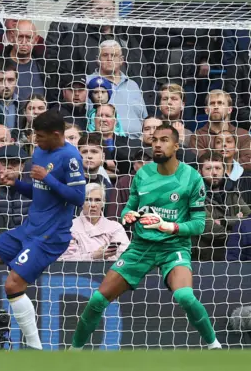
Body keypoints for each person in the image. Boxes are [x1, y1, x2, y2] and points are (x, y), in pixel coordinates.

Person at [70, 122, 222, 350]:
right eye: (155, 140)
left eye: (164, 140)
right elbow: (127, 209)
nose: (157, 145)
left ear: (176, 145)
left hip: (174, 248)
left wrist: (168, 227)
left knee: (186, 298)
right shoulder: (142, 174)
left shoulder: (192, 178)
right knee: (97, 300)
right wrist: (129, 215)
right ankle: (73, 352)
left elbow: (199, 225)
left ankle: (215, 347)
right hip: (140, 248)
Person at [0, 110, 86, 349]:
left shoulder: (71, 157)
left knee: (13, 285)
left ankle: (34, 348)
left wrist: (48, 178)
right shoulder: (40, 152)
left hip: (50, 235)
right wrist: (17, 184)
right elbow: (41, 192)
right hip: (30, 227)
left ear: (56, 134)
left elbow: (78, 198)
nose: (35, 140)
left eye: (40, 136)